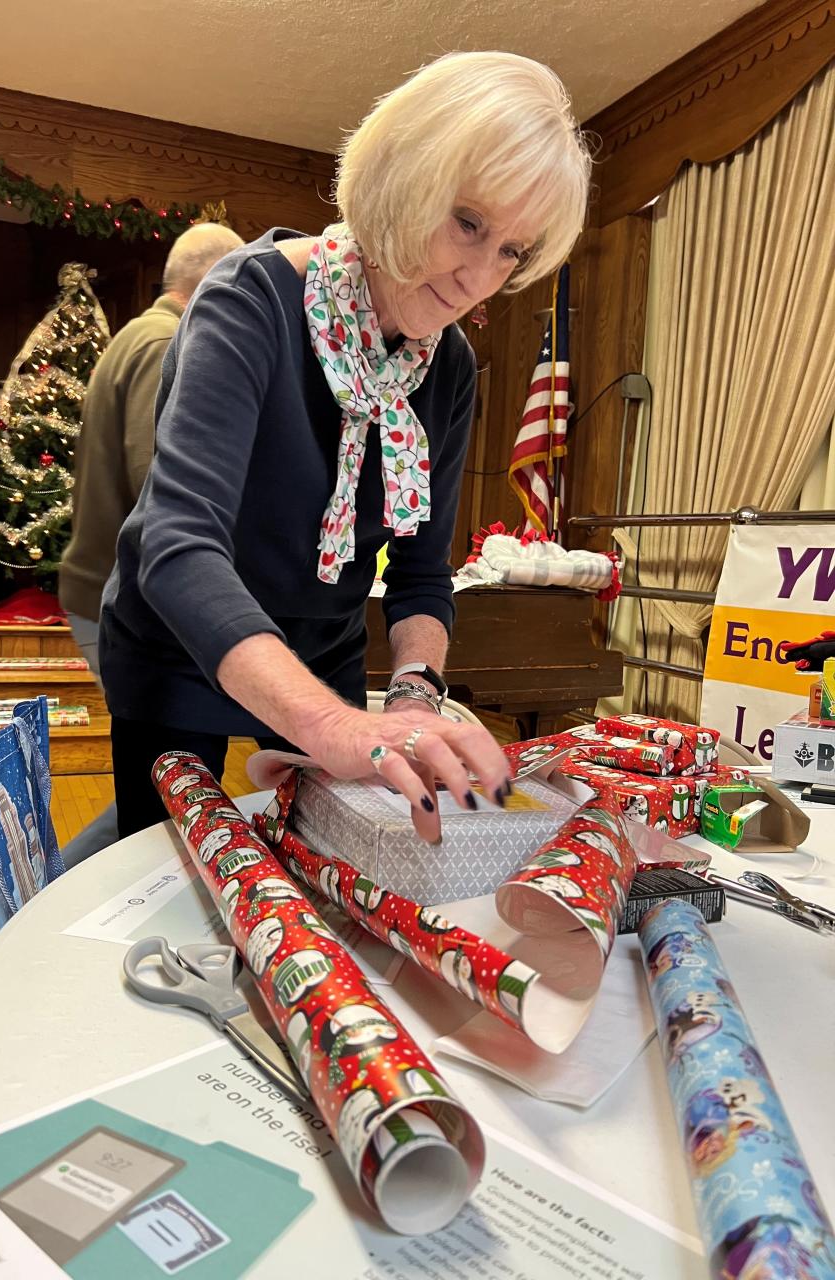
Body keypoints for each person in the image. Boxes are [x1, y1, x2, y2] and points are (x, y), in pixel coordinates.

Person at [99, 51, 591, 843]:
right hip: (180, 655)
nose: (479, 278)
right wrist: (331, 725)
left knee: (327, 870)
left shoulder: (449, 364)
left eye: (512, 252)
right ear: (404, 179)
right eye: (469, 223)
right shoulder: (247, 300)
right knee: (164, 876)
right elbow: (179, 549)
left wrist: (412, 697)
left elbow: (423, 572)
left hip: (322, 654)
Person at [60, 222, 244, 675]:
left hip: (107, 588)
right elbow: (159, 482)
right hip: (133, 601)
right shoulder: (168, 344)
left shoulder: (138, 333)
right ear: (217, 282)